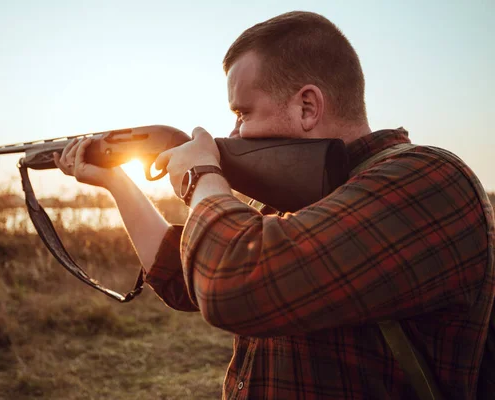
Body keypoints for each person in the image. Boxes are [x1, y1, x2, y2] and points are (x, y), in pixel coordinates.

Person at [54, 11, 494, 399]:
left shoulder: (428, 180)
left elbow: (233, 282)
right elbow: (186, 278)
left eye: (243, 113)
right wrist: (116, 182)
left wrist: (201, 175)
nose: (236, 132)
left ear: (307, 106)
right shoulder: (297, 202)